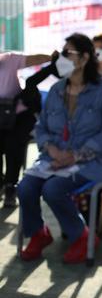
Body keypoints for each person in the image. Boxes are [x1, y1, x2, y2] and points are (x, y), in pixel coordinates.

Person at [17, 33, 102, 264]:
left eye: (67, 54)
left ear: (84, 58)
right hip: (54, 159)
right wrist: (52, 151)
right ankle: (38, 234)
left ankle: (82, 237)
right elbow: (41, 128)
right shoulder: (56, 90)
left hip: (92, 162)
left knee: (53, 190)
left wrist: (74, 156)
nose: (60, 59)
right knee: (25, 188)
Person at [0, 52, 52, 208]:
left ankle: (10, 186)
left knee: (13, 143)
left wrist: (55, 57)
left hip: (18, 117)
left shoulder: (9, 59)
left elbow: (37, 59)